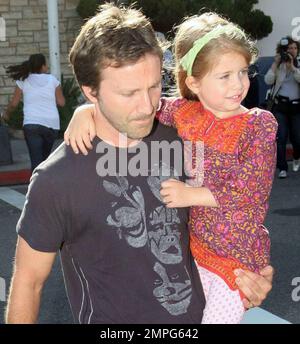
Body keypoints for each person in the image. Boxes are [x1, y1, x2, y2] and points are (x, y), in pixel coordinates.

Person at [63, 10, 276, 323]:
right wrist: (86, 111)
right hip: (194, 254)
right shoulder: (185, 114)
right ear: (194, 81)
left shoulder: (258, 125)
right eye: (225, 76)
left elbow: (251, 189)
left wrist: (193, 195)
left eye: (243, 72)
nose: (238, 84)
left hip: (237, 259)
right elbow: (134, 106)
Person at [3, 54, 65, 172]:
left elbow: (14, 103)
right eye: (46, 64)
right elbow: (61, 102)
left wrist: (6, 114)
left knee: (36, 161)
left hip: (31, 124)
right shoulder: (53, 80)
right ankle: (43, 186)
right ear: (42, 66)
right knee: (45, 160)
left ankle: (36, 187)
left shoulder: (23, 80)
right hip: (51, 125)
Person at [264, 36, 300, 178]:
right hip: (281, 107)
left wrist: (293, 68)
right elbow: (268, 80)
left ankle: (297, 157)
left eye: (294, 48)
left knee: (297, 139)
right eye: (289, 48)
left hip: (297, 107)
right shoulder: (278, 65)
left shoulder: (298, 64)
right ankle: (282, 168)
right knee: (281, 138)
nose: (292, 51)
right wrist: (275, 65)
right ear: (283, 50)